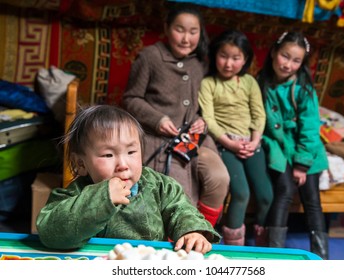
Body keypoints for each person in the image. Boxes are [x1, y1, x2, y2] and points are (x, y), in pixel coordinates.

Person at [36, 105, 221, 254]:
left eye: (131, 152)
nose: (123, 164)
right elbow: (50, 232)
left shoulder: (160, 186)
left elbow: (181, 210)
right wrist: (101, 198)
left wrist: (192, 231)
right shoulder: (75, 194)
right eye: (108, 155)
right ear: (81, 163)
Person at [122, 3, 229, 227]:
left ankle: (202, 231)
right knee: (181, 196)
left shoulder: (200, 62)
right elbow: (131, 99)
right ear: (166, 27)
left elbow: (202, 104)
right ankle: (182, 236)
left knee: (220, 178)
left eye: (193, 32)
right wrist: (158, 119)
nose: (186, 38)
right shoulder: (150, 57)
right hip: (160, 139)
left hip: (194, 139)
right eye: (179, 29)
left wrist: (201, 120)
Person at [257, 31, 329, 259]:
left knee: (312, 200)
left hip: (307, 154)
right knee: (284, 191)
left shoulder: (304, 90)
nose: (288, 64)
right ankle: (274, 253)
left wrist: (301, 165)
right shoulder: (261, 84)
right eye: (285, 56)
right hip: (279, 150)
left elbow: (309, 129)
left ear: (302, 64)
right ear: (273, 53)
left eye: (296, 60)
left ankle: (321, 254)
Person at [198, 29, 273, 246]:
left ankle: (262, 239)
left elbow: (259, 113)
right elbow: (209, 119)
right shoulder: (209, 83)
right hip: (226, 145)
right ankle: (234, 247)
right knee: (241, 193)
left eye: (236, 58)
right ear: (214, 56)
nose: (229, 63)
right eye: (224, 56)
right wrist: (230, 143)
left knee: (266, 195)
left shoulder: (249, 82)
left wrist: (255, 141)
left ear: (245, 59)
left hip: (251, 143)